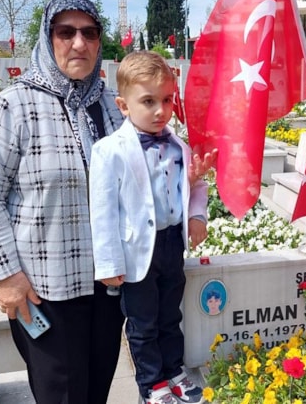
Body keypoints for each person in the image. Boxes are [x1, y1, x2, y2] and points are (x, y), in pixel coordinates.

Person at [0, 0, 127, 404]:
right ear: (48, 36)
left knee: (95, 391)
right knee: (62, 395)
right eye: (66, 32)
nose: (79, 43)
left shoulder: (112, 105)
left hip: (107, 287)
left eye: (89, 33)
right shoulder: (15, 105)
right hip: (45, 288)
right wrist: (7, 275)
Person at [89, 51, 209, 404]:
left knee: (171, 316)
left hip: (172, 244)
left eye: (167, 100)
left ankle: (174, 371)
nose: (161, 110)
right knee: (143, 324)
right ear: (123, 106)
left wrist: (196, 216)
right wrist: (108, 264)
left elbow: (195, 185)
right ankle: (152, 384)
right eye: (148, 101)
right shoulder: (109, 151)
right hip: (136, 251)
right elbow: (103, 211)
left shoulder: (178, 146)